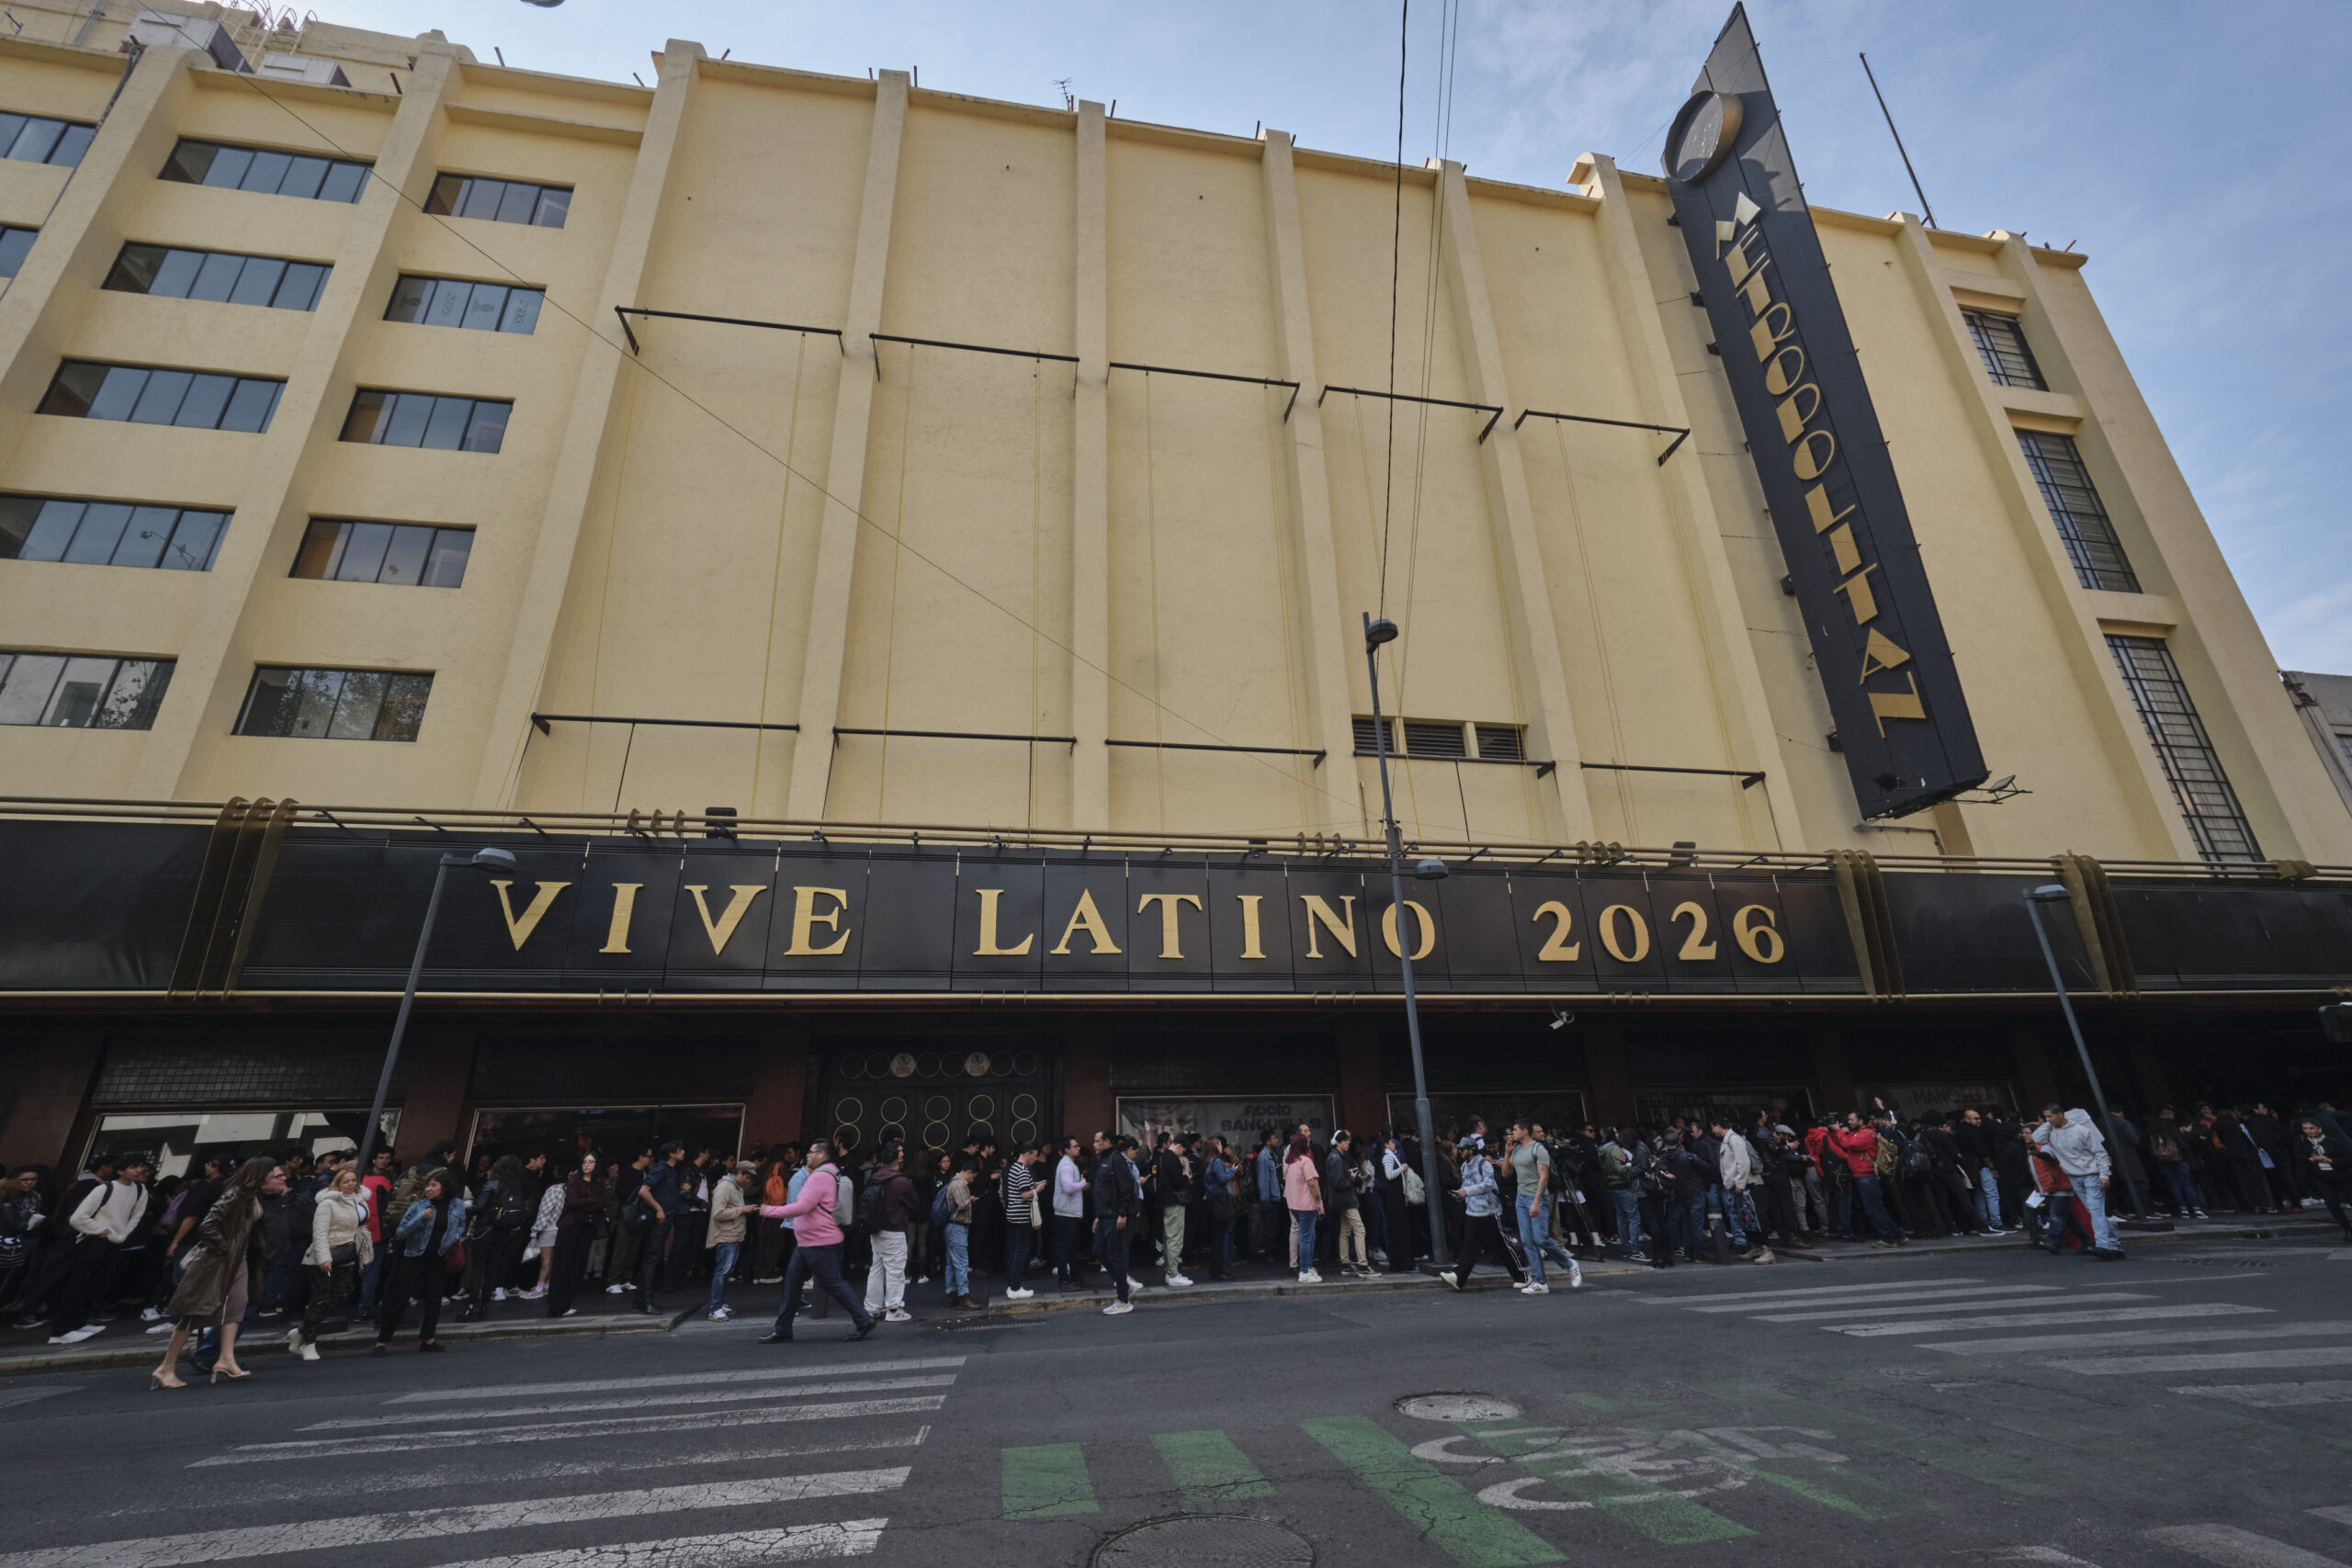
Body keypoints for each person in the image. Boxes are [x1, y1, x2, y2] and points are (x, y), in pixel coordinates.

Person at [152, 1156, 281, 1387]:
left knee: (237, 1307)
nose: (279, 1176)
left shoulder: (251, 1195)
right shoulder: (235, 1194)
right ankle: (166, 1367)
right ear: (260, 1175)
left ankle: (226, 1359)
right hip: (218, 1261)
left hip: (236, 1260)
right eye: (274, 1173)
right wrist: (226, 1248)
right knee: (193, 1313)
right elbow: (207, 1225)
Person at [756, 1139, 875, 1343]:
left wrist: (769, 1210)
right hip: (809, 1241)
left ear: (821, 1154)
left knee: (832, 1283)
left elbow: (801, 1206)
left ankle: (863, 1319)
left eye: (811, 1152)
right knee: (792, 1284)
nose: (807, 1156)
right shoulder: (829, 1173)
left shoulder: (820, 1176)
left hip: (819, 1241)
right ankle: (783, 1328)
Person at [47, 1152, 152, 1345]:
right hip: (92, 1241)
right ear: (120, 1171)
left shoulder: (140, 1190)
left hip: (112, 1242)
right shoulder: (104, 1189)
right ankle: (61, 1331)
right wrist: (100, 1230)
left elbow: (136, 1216)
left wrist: (121, 1235)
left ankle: (79, 1324)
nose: (139, 1170)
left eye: (141, 1166)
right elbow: (77, 1218)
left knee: (97, 1284)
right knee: (78, 1285)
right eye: (133, 1167)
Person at [375, 1168, 465, 1353]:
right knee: (400, 1298)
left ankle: (428, 1339)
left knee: (434, 1299)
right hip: (414, 1257)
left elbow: (461, 1224)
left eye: (434, 1185)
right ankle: (382, 1342)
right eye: (428, 1185)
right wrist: (421, 1219)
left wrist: (455, 1237)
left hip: (439, 1258)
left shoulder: (456, 1205)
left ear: (445, 1187)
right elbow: (400, 1233)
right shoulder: (419, 1207)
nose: (429, 1189)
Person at [289, 1167, 370, 1361]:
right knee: (320, 1300)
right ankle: (308, 1343)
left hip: (347, 1254)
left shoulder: (359, 1200)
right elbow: (319, 1232)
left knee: (340, 1296)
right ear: (337, 1184)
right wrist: (325, 1258)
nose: (351, 1184)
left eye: (353, 1180)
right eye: (346, 1181)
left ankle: (300, 1330)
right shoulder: (328, 1203)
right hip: (327, 1254)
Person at [2032, 1105, 2122, 1259]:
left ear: (2061, 1114)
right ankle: (2114, 1245)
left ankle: (2104, 1245)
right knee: (2095, 1212)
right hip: (2074, 1176)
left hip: (2091, 1174)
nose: (2047, 1120)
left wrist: (2104, 1174)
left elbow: (2100, 1153)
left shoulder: (2082, 1130)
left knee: (2095, 1210)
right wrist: (2048, 1123)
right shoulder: (2052, 1130)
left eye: (2050, 1116)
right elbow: (2037, 1138)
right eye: (2045, 1117)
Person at [1505, 1122, 1582, 1292]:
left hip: (1537, 1197)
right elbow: (1506, 1173)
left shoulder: (1538, 1149)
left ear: (1525, 1131)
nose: (1513, 1133)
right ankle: (1540, 1282)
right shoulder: (1516, 1150)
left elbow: (1544, 1178)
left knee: (1540, 1238)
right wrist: (1508, 1151)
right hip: (1521, 1198)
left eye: (1516, 1130)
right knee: (1526, 1241)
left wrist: (1536, 1202)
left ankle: (1569, 1264)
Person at [1441, 1141, 1523, 1290]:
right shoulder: (1465, 1166)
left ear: (1471, 1150)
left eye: (1463, 1149)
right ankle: (1459, 1277)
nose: (1460, 1152)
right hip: (1473, 1211)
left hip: (1489, 1211)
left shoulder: (1484, 1165)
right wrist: (1460, 1195)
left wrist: (1467, 1192)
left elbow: (1487, 1185)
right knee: (1469, 1246)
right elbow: (1466, 1187)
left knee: (1501, 1246)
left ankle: (1522, 1276)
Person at [461, 1155, 531, 1321]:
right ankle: (484, 1305)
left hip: (485, 1230)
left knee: (478, 1269)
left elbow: (479, 1208)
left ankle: (472, 1305)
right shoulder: (515, 1187)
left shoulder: (492, 1184)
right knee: (492, 1269)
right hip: (503, 1232)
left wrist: (465, 1207)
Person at [1826, 1112, 1905, 1247]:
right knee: (1878, 1207)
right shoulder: (1857, 1133)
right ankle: (1898, 1235)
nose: (1849, 1122)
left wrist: (1838, 1131)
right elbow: (1841, 1142)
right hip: (1862, 1175)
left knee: (1873, 1209)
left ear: (1861, 1120)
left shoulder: (1866, 1134)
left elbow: (1847, 1143)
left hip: (1866, 1175)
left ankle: (1888, 1239)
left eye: (1851, 1119)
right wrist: (1833, 1132)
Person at [545, 1152, 608, 1318]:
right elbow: (573, 1202)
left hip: (587, 1228)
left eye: (591, 1161)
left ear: (597, 1164)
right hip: (570, 1227)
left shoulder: (599, 1183)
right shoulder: (574, 1180)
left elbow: (603, 1201)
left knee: (578, 1266)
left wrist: (589, 1202)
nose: (587, 1164)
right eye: (584, 1161)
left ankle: (565, 1303)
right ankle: (555, 1305)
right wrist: (593, 1202)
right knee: (562, 1266)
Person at [1088, 1132, 1142, 1315]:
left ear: (1107, 1142)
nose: (1094, 1144)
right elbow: (1102, 1189)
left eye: (1097, 1141)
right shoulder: (1102, 1159)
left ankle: (1123, 1300)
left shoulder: (1116, 1159)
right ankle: (1124, 1283)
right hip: (1103, 1216)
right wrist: (1098, 1215)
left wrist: (1122, 1213)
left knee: (1116, 1255)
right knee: (1099, 1251)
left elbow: (1127, 1187)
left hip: (1114, 1216)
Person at [862, 1141, 917, 1323]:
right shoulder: (900, 1182)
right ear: (897, 1158)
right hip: (894, 1230)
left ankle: (871, 1308)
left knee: (876, 1270)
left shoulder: (875, 1176)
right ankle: (894, 1309)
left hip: (876, 1230)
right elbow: (914, 1204)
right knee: (895, 1271)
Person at [705, 1159, 756, 1322]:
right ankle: (715, 1309)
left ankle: (719, 1303)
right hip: (725, 1236)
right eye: (747, 1177)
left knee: (726, 1272)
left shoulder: (736, 1187)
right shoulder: (725, 1187)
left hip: (734, 1235)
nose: (748, 1181)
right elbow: (718, 1213)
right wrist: (742, 1209)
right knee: (722, 1272)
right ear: (739, 1173)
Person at [2293, 1118, 2351, 1241]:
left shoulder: (2334, 1142)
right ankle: (2347, 1229)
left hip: (2339, 1175)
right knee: (2331, 1203)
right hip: (2319, 1177)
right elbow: (2296, 1156)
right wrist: (2309, 1160)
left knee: (2349, 1198)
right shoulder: (2302, 1142)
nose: (2309, 1131)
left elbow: (2347, 1158)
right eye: (2305, 1128)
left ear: (2319, 1128)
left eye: (2311, 1128)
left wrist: (2331, 1161)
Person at [1280, 1132, 1324, 1284]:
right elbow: (1313, 1183)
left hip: (1293, 1204)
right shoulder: (1306, 1161)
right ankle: (1305, 1271)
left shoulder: (1289, 1162)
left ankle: (1308, 1268)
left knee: (1308, 1235)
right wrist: (1320, 1203)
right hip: (1306, 1205)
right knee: (1307, 1237)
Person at [1001, 1141, 1041, 1300]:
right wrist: (1037, 1189)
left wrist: (1032, 1185)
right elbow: (1025, 1195)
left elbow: (1019, 1189)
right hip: (1022, 1217)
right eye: (1034, 1155)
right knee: (1021, 1250)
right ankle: (1015, 1286)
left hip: (1012, 1215)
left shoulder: (1012, 1168)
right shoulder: (1024, 1170)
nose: (1035, 1159)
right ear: (1028, 1153)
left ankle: (1012, 1284)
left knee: (1015, 1249)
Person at [1151, 1135, 1193, 1288]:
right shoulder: (1173, 1158)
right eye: (1183, 1150)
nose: (1183, 1153)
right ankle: (1173, 1274)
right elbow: (1177, 1182)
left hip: (1164, 1202)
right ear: (1180, 1146)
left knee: (1168, 1238)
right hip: (1174, 1203)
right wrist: (1186, 1178)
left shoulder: (1162, 1158)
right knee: (1175, 1238)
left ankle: (1170, 1272)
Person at [939, 1156, 979, 1309]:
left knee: (951, 1263)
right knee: (962, 1263)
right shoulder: (960, 1184)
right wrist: (971, 1200)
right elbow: (963, 1204)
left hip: (950, 1227)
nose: (972, 1180)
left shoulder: (952, 1182)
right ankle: (964, 1297)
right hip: (957, 1227)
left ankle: (951, 1295)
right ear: (968, 1172)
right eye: (973, 1177)